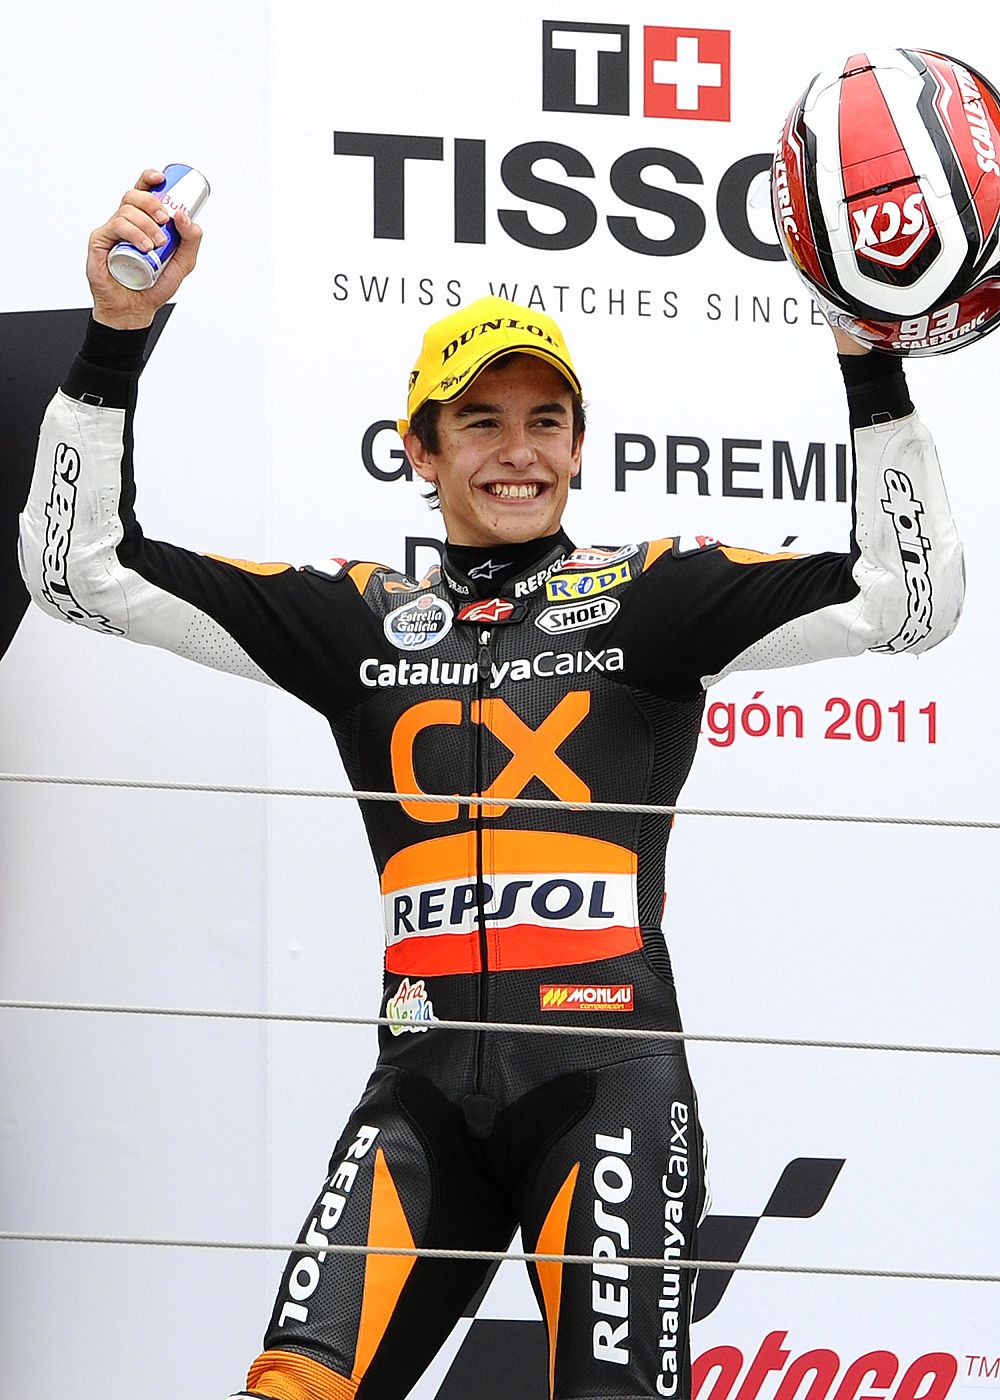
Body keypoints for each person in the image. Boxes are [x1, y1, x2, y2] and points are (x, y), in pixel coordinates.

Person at [19, 172, 964, 1400]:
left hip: (606, 1093)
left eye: (545, 420)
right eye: (479, 421)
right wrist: (115, 335)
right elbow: (77, 572)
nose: (518, 452)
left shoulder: (651, 594)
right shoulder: (358, 618)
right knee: (290, 1386)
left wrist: (868, 360)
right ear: (419, 447)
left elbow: (910, 603)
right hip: (418, 1103)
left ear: (579, 444)